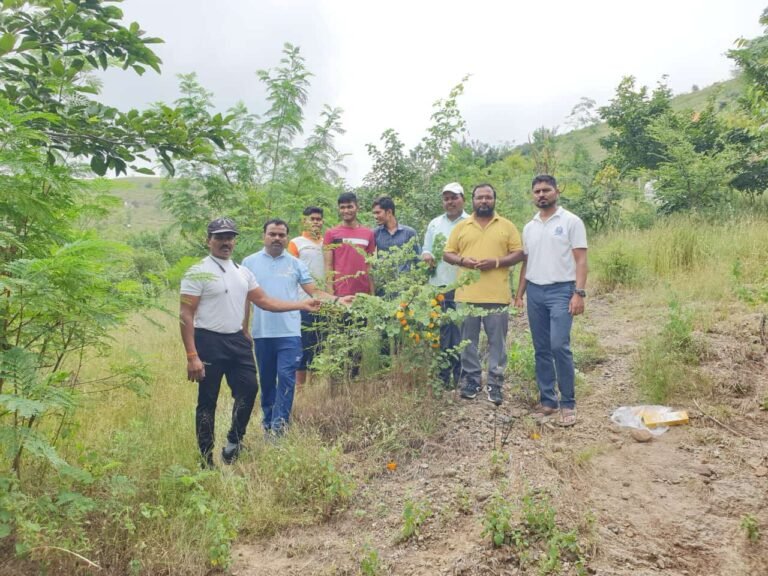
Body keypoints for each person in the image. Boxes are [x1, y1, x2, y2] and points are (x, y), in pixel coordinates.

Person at [179, 218, 321, 467]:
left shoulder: (242, 272)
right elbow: (185, 314)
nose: (225, 242)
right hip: (209, 340)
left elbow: (266, 301)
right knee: (207, 401)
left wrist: (301, 304)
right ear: (209, 240)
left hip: (237, 340)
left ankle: (234, 440)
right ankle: (205, 460)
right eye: (219, 237)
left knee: (249, 390)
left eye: (229, 237)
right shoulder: (197, 272)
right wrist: (192, 355)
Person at [243, 219, 351, 436]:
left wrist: (338, 301)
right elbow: (244, 299)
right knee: (266, 381)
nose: (276, 238)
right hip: (262, 333)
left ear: (287, 238)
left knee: (286, 378)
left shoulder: (295, 264)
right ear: (264, 235)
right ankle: (268, 424)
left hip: (290, 333)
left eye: (281, 235)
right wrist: (244, 328)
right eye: (272, 234)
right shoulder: (249, 263)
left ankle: (279, 428)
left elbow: (314, 292)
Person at [514, 175, 588, 427]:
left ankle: (568, 403)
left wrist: (579, 292)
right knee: (541, 348)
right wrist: (519, 293)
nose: (541, 195)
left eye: (546, 190)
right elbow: (527, 263)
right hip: (535, 291)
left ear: (557, 191)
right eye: (537, 191)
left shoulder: (570, 221)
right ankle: (548, 401)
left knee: (559, 345)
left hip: (561, 291)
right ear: (532, 195)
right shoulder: (529, 226)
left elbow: (580, 259)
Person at [443, 184, 524, 405]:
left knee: (497, 342)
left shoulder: (506, 226)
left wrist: (496, 262)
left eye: (488, 197)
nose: (484, 201)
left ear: (494, 200)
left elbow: (518, 254)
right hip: (466, 296)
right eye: (480, 197)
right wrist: (463, 260)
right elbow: (447, 253)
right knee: (467, 341)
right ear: (473, 200)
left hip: (497, 296)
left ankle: (495, 383)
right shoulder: (462, 227)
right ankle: (472, 380)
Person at [421, 182, 469, 388]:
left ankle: (462, 376)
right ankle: (443, 376)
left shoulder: (471, 222)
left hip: (463, 285)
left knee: (462, 331)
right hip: (438, 285)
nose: (450, 202)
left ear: (463, 199)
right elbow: (426, 249)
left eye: (454, 197)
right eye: (446, 198)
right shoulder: (434, 224)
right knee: (442, 332)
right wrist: (427, 256)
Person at [323, 192, 375, 378]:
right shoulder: (331, 234)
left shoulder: (368, 234)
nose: (346, 210)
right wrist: (332, 297)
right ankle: (337, 381)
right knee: (339, 339)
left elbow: (370, 265)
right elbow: (328, 265)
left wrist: (372, 295)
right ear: (339, 209)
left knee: (357, 340)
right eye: (343, 207)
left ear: (357, 207)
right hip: (340, 295)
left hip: (361, 295)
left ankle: (353, 378)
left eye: (349, 206)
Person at [287, 207, 325, 386]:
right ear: (305, 221)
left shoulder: (327, 243)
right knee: (303, 346)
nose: (316, 222)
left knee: (319, 345)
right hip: (303, 302)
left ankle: (315, 387)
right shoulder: (296, 243)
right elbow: (289, 272)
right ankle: (300, 389)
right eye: (312, 219)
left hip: (324, 301)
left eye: (319, 219)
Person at [372, 195, 420, 278]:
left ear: (389, 212)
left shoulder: (409, 232)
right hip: (384, 285)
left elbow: (418, 259)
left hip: (405, 286)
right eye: (374, 213)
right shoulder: (375, 233)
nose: (375, 216)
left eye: (378, 212)